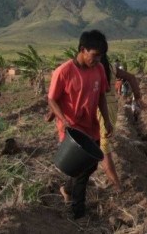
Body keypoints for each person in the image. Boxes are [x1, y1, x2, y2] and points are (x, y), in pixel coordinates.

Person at [47, 30, 112, 220]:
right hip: (73, 129)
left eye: (101, 56)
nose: (98, 60)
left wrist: (106, 120)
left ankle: (67, 188)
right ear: (83, 50)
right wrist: (64, 120)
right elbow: (52, 99)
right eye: (95, 55)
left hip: (91, 124)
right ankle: (77, 212)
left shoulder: (98, 69)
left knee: (91, 164)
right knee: (83, 171)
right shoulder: (64, 71)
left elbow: (101, 96)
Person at [97, 53, 141, 193]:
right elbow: (132, 77)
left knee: (103, 145)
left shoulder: (96, 68)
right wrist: (138, 98)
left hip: (102, 107)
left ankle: (116, 184)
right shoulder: (111, 67)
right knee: (100, 143)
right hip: (111, 105)